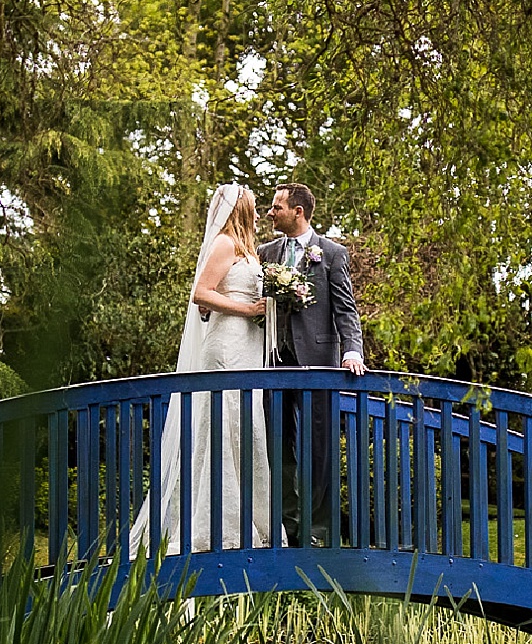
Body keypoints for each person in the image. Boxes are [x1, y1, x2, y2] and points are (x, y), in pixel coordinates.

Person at [133, 184, 272, 556]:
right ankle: (216, 526)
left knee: (244, 428)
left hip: (248, 347)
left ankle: (251, 522)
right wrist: (247, 310)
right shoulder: (225, 243)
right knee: (221, 426)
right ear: (240, 209)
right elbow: (201, 292)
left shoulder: (248, 250)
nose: (258, 215)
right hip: (226, 345)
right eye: (254, 208)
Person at [259, 183, 364, 547]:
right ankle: (290, 526)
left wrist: (353, 350)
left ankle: (318, 530)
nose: (270, 213)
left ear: (298, 212)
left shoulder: (332, 254)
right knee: (277, 444)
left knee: (320, 447)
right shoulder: (265, 252)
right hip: (274, 360)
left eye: (276, 207)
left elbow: (345, 309)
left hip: (319, 361)